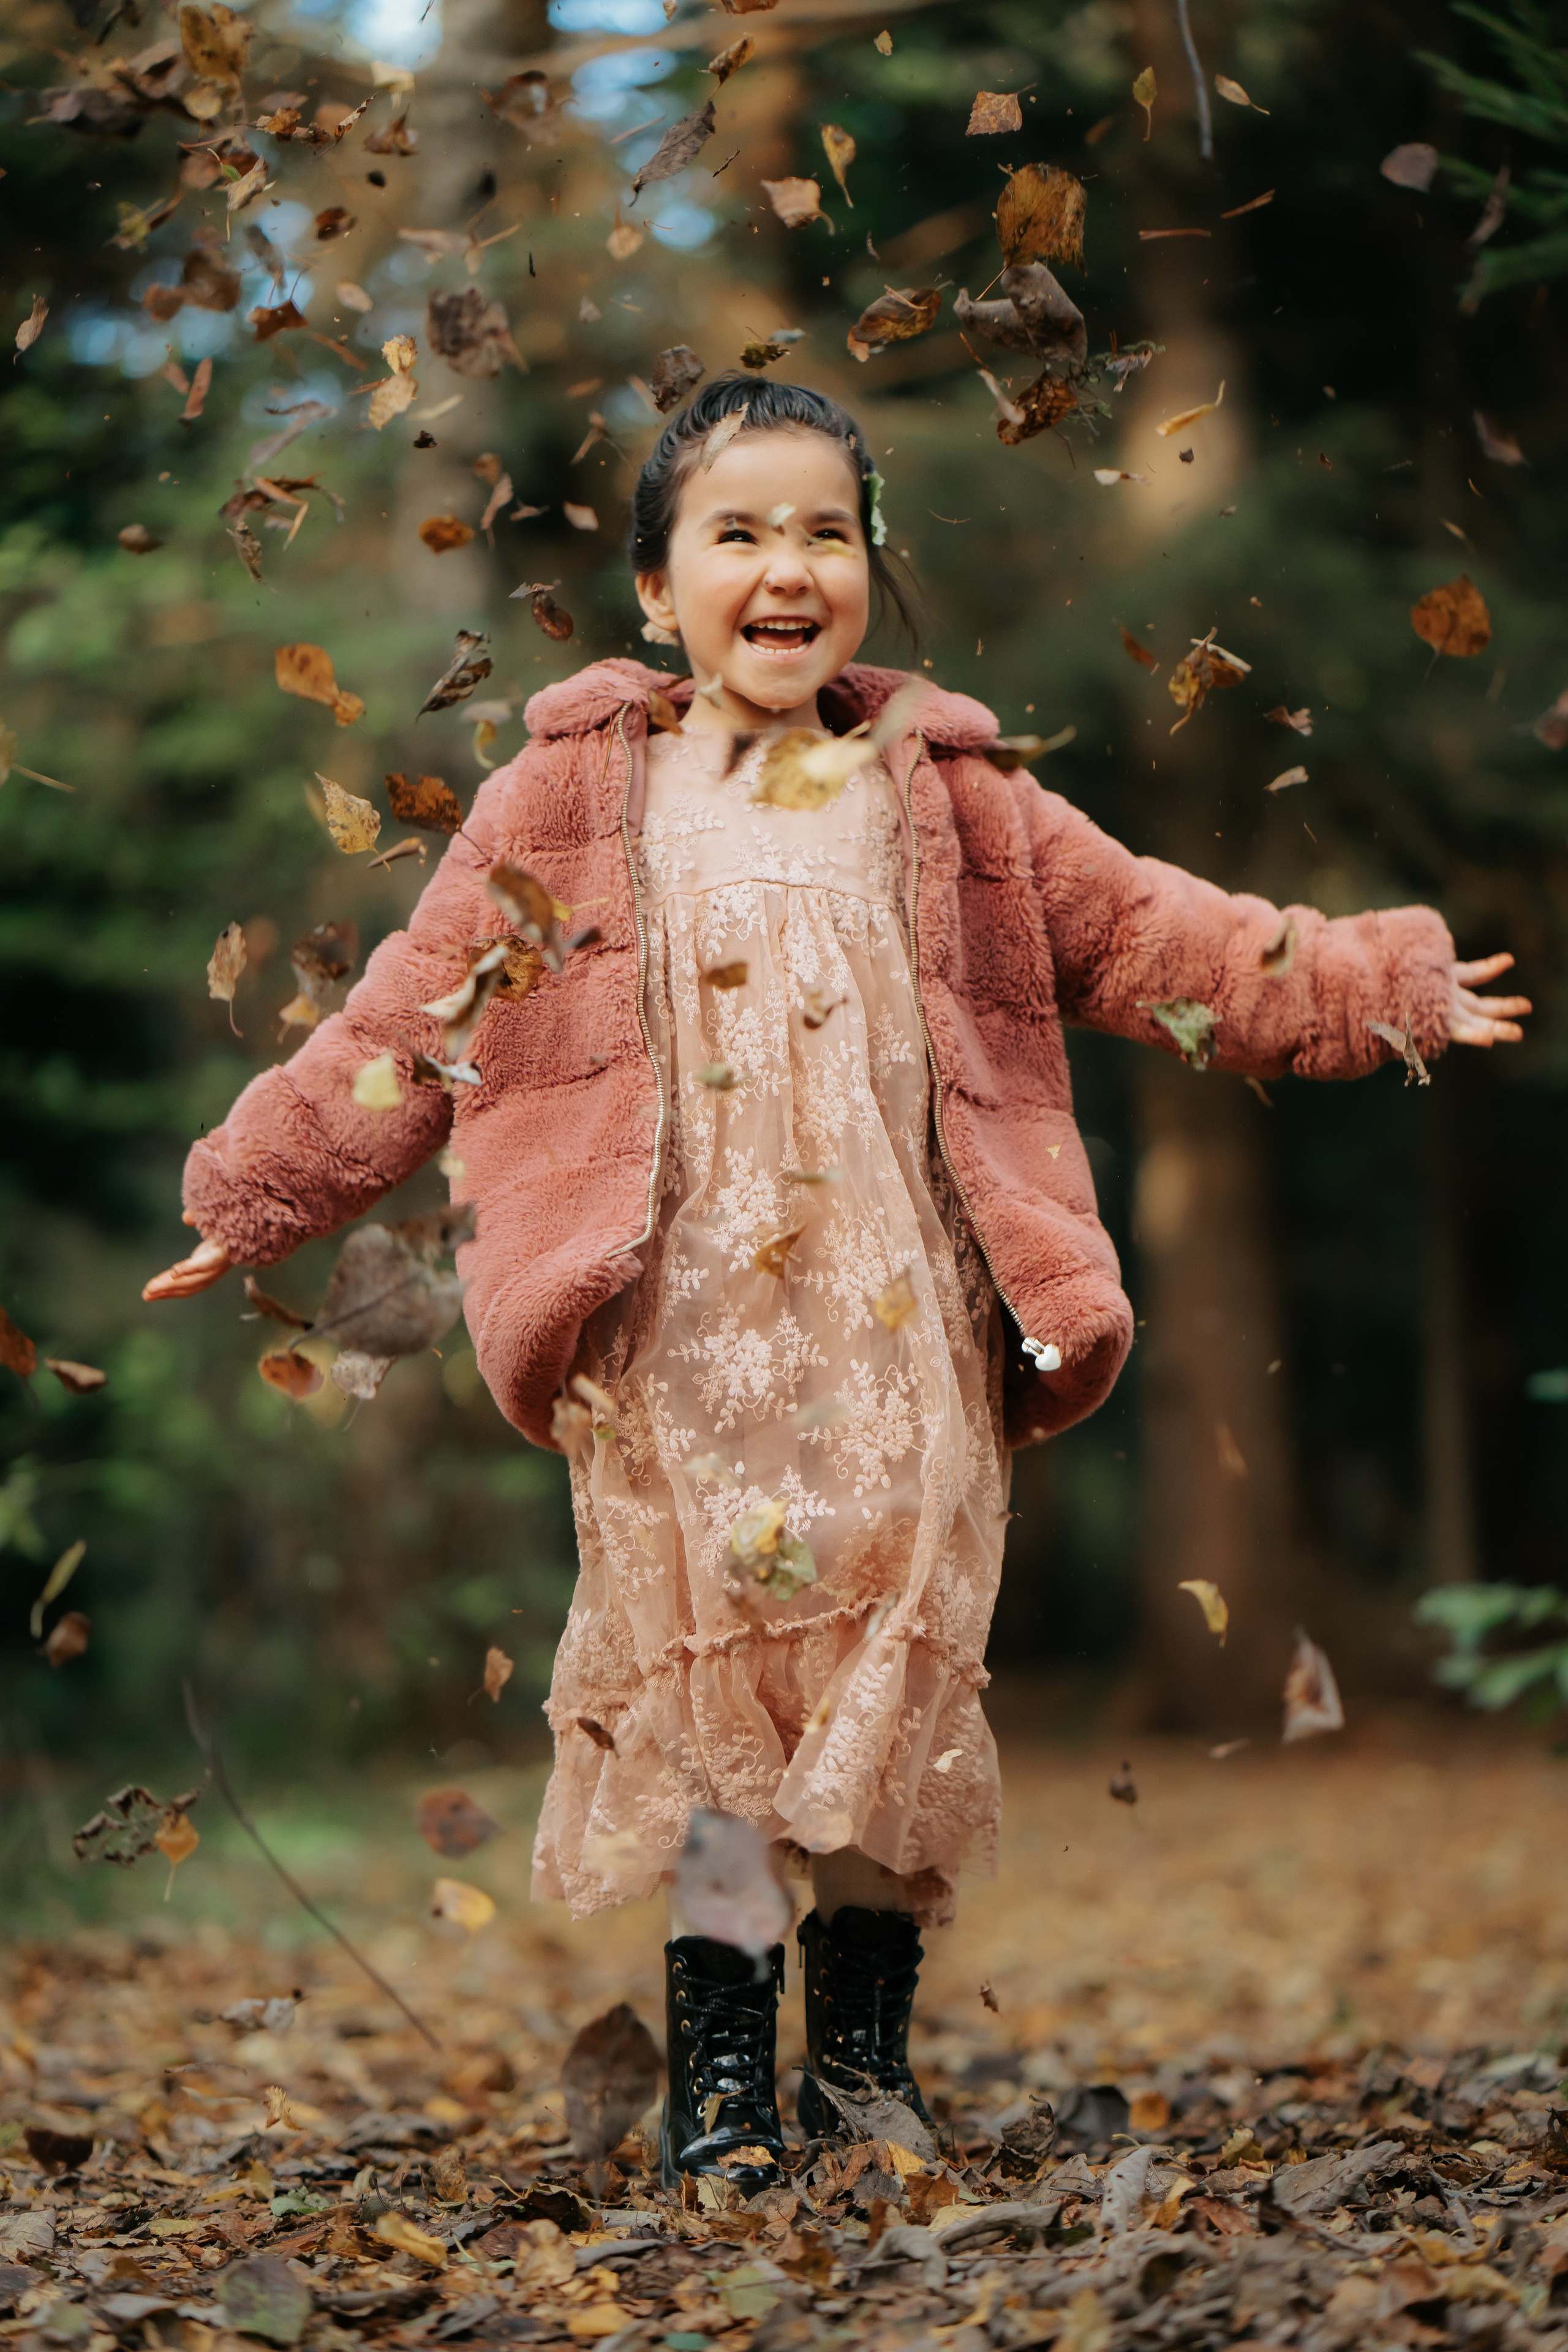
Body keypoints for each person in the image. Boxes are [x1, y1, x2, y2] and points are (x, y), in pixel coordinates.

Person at [145, 376, 1529, 2192]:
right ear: (657, 590)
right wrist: (259, 1185)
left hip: (906, 1328)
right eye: (740, 533)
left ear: (866, 571)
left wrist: (1375, 983)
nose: (788, 566)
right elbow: (421, 1008)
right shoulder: (572, 799)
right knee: (729, 1693)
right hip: (679, 1335)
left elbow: (1156, 935)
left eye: (826, 533)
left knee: (889, 1680)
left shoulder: (949, 792)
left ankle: (863, 2071)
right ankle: (725, 2071)